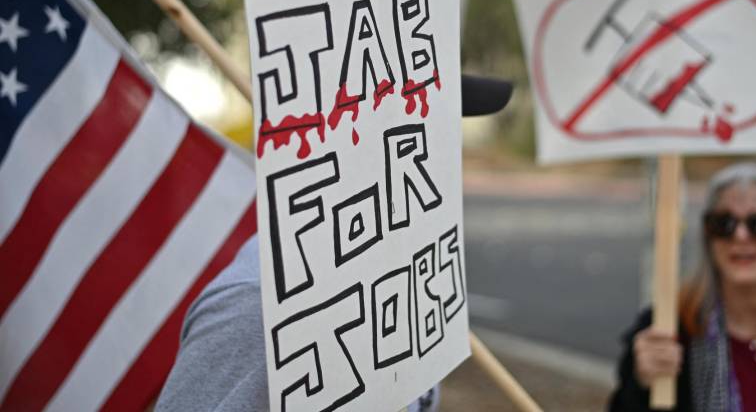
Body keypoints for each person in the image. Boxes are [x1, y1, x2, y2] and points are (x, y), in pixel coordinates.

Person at [155, 75, 512, 411]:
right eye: (420, 124)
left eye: (445, 129)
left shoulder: (405, 276)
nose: (446, 157)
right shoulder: (262, 311)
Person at [608, 162, 756, 411]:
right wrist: (640, 386)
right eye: (724, 223)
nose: (741, 236)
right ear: (707, 236)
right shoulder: (668, 331)